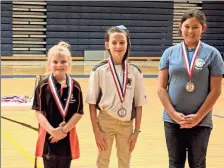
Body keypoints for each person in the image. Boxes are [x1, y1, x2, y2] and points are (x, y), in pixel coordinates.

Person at [157, 9, 224, 168]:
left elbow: (216, 90)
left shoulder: (212, 54)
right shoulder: (169, 53)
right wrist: (173, 114)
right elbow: (160, 88)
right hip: (172, 121)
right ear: (180, 27)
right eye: (187, 26)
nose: (190, 31)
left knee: (198, 164)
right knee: (175, 163)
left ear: (203, 28)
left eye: (195, 27)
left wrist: (198, 116)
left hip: (201, 122)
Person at [86, 25, 147, 168]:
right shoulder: (98, 70)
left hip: (127, 124)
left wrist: (136, 131)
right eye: (114, 42)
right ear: (107, 44)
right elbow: (91, 104)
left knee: (125, 162)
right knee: (103, 161)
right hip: (105, 122)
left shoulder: (135, 71)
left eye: (122, 42)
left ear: (127, 44)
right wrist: (96, 131)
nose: (118, 46)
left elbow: (139, 104)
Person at [32, 41, 84, 168]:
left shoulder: (75, 87)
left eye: (63, 62)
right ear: (49, 64)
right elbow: (39, 113)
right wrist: (52, 131)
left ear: (69, 63)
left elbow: (78, 113)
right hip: (48, 138)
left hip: (67, 137)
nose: (59, 65)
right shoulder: (43, 86)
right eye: (55, 62)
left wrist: (63, 131)